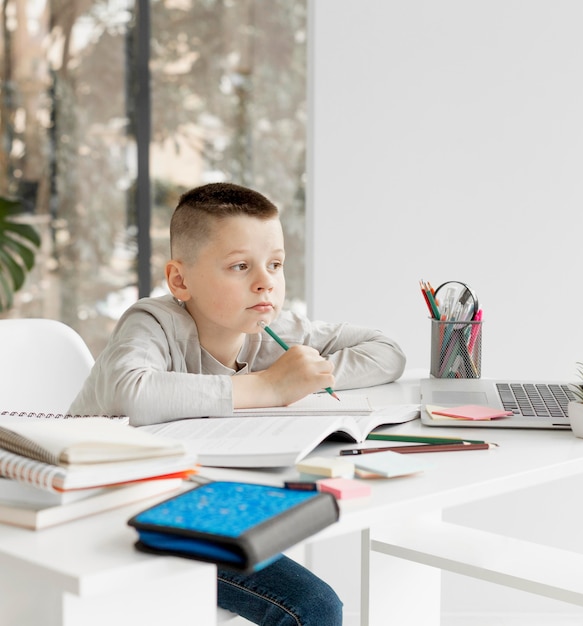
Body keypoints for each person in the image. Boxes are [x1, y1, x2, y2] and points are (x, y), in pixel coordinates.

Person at [70, 182, 406, 625]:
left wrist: (303, 377)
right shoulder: (153, 322)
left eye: (276, 264)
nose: (265, 281)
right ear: (179, 280)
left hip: (193, 501)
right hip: (102, 514)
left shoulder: (274, 329)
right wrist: (269, 388)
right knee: (313, 606)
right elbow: (131, 392)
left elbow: (387, 351)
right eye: (240, 266)